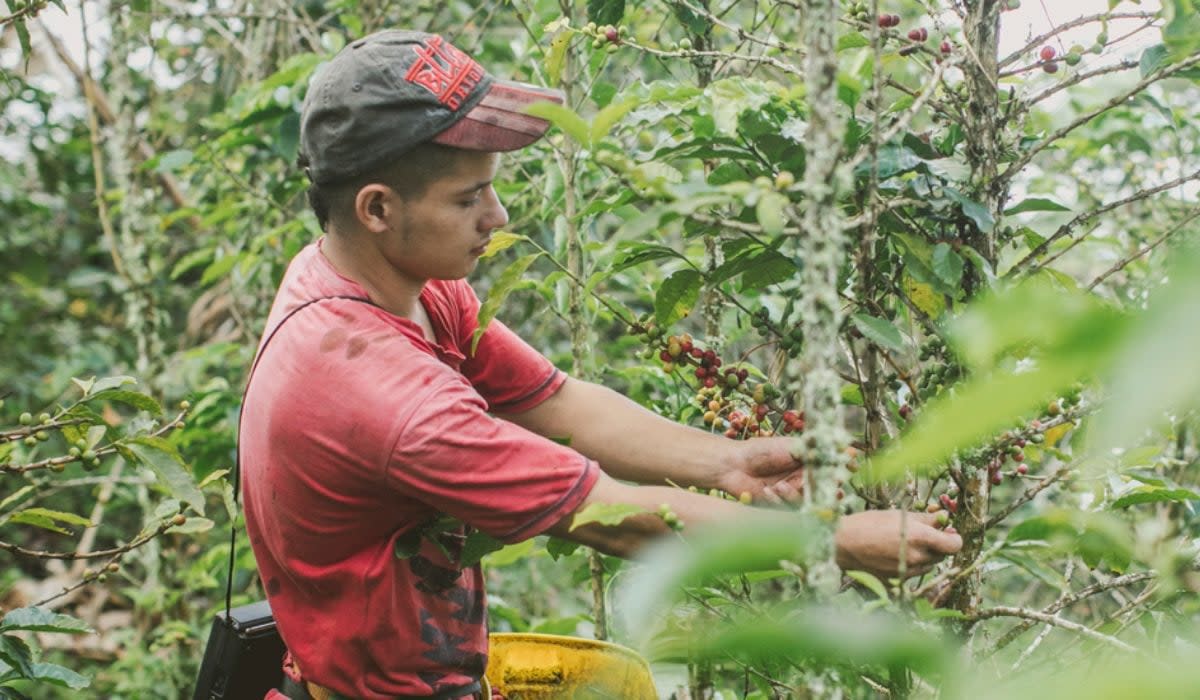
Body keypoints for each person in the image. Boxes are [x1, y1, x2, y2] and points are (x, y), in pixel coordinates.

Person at [239, 29, 963, 700]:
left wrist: (729, 462)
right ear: (376, 208)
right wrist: (835, 545)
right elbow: (608, 516)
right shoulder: (381, 393)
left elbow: (561, 404)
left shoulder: (397, 289)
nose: (498, 217)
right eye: (468, 198)